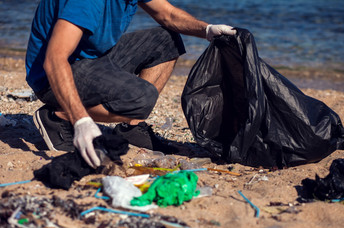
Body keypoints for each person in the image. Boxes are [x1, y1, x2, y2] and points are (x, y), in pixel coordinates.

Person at [26, 0, 236, 169]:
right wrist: (80, 121)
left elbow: (168, 14)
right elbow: (54, 60)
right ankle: (57, 117)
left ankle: (131, 129)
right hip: (53, 77)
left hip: (94, 58)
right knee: (141, 99)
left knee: (167, 39)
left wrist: (207, 29)